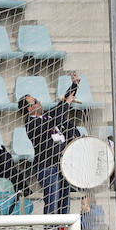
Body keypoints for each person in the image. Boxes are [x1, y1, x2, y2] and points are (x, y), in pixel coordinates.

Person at [20, 76, 81, 215]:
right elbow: (59, 116)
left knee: (64, 206)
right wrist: (67, 104)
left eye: (36, 99)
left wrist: (74, 85)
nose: (38, 102)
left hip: (62, 166)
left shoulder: (47, 115)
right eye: (34, 102)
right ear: (29, 108)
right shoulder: (31, 123)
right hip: (47, 168)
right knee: (52, 206)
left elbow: (61, 105)